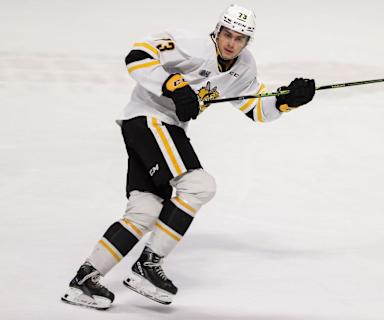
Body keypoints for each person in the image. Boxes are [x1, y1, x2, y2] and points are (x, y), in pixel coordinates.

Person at [61, 4, 316, 310]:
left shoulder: (243, 66)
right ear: (217, 30)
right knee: (199, 186)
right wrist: (174, 85)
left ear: (248, 42)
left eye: (239, 39)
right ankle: (148, 265)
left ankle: (85, 280)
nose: (231, 43)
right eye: (227, 34)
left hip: (159, 128)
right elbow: (137, 56)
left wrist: (287, 101)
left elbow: (256, 108)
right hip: (149, 119)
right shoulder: (191, 46)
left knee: (144, 209)